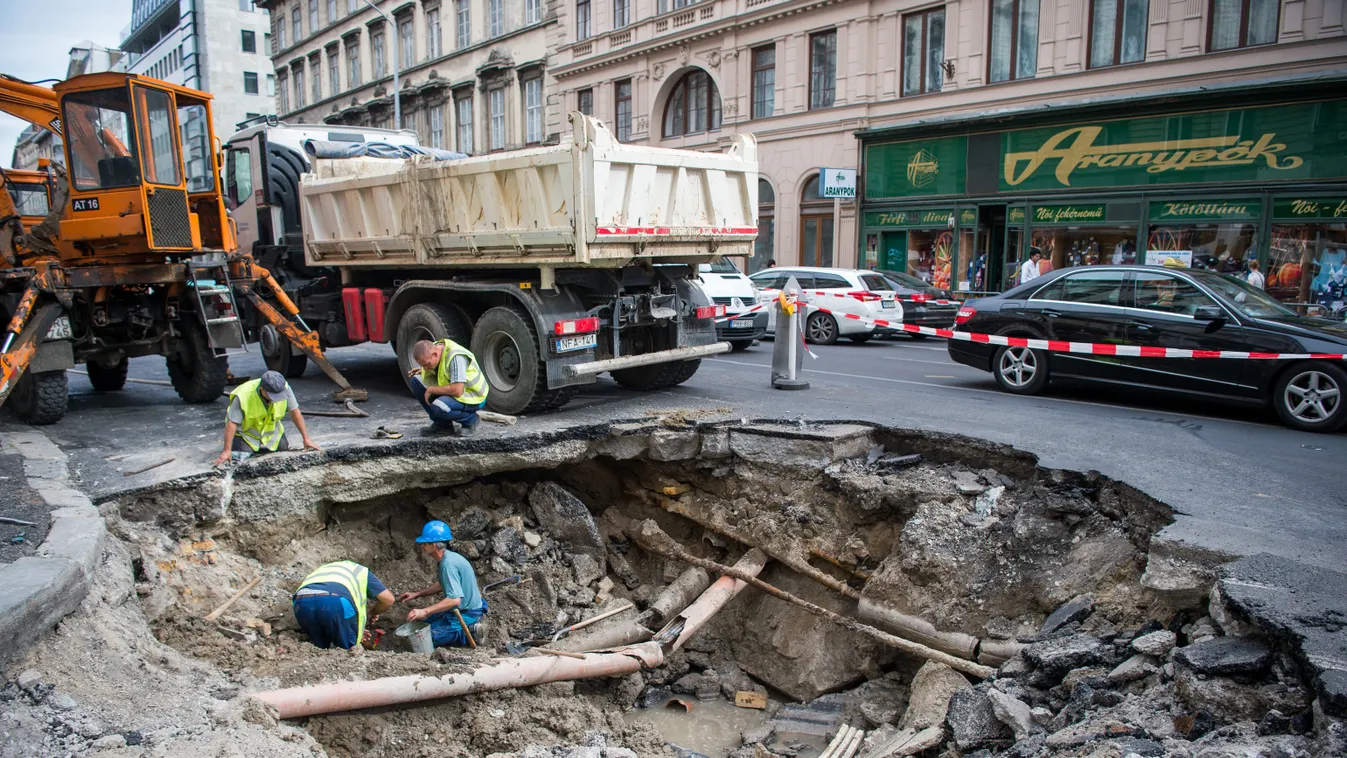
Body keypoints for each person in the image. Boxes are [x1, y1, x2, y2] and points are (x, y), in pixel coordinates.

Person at [397, 521, 488, 648]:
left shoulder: (448, 565)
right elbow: (442, 584)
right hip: (462, 608)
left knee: (425, 639)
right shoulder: (448, 558)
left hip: (468, 612)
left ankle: (472, 631)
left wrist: (424, 611)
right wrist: (417, 594)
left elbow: (454, 599)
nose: (422, 546)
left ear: (433, 545)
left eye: (424, 543)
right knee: (423, 624)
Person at [213, 370, 319, 466]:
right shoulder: (243, 395)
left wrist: (306, 439)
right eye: (273, 396)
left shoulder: (284, 388)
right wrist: (227, 450)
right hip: (247, 433)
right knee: (242, 455)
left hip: (271, 431)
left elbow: (295, 412)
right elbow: (232, 423)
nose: (277, 399)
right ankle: (242, 446)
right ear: (262, 389)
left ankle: (264, 444)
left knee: (283, 448)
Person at [292, 560, 395, 650]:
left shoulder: (326, 569)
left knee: (319, 650)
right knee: (347, 653)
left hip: (301, 601)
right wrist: (372, 613)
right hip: (335, 600)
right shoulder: (361, 572)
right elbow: (388, 600)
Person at [407, 338, 490, 437]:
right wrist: (424, 369)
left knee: (439, 406)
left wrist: (432, 389)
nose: (425, 368)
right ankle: (443, 425)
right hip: (457, 391)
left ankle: (471, 420)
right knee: (416, 381)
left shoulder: (456, 357)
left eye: (427, 364)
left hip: (472, 396)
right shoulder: (434, 348)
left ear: (435, 354)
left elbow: (457, 390)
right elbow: (443, 370)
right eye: (423, 366)